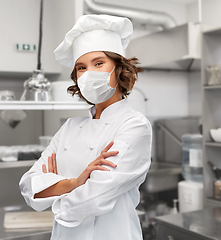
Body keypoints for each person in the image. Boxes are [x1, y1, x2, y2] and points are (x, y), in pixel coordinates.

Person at [19, 14, 152, 240]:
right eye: (81, 67)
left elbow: (96, 196)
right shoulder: (71, 126)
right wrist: (75, 182)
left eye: (98, 63)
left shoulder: (134, 125)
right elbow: (29, 185)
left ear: (119, 68)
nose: (88, 73)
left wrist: (55, 189)